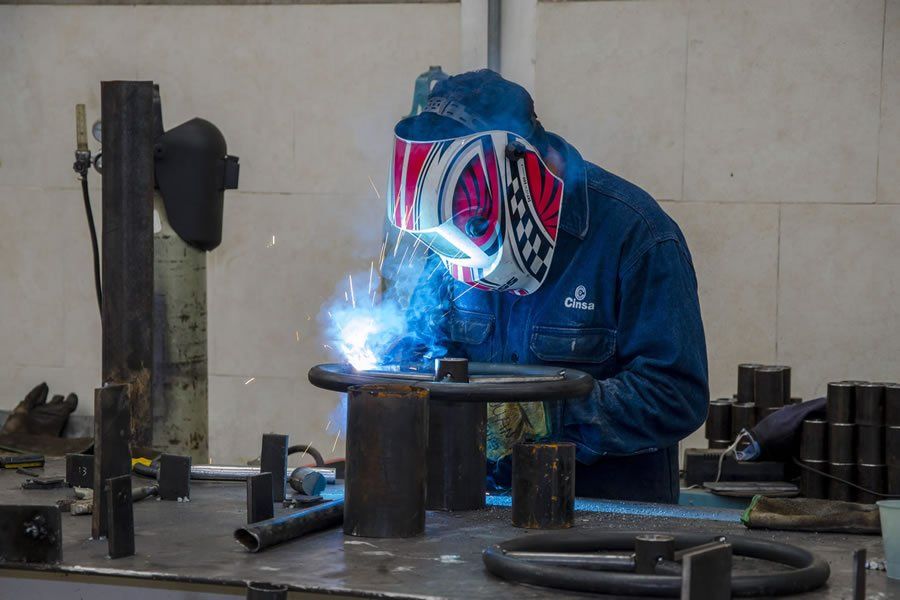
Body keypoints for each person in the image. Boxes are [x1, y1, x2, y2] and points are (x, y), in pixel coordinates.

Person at [382, 70, 708, 503]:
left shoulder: (636, 235)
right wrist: (403, 369)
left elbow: (675, 396)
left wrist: (544, 411)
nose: (459, 249)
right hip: (480, 511)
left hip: (604, 523)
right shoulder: (449, 234)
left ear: (520, 176)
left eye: (475, 226)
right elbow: (427, 346)